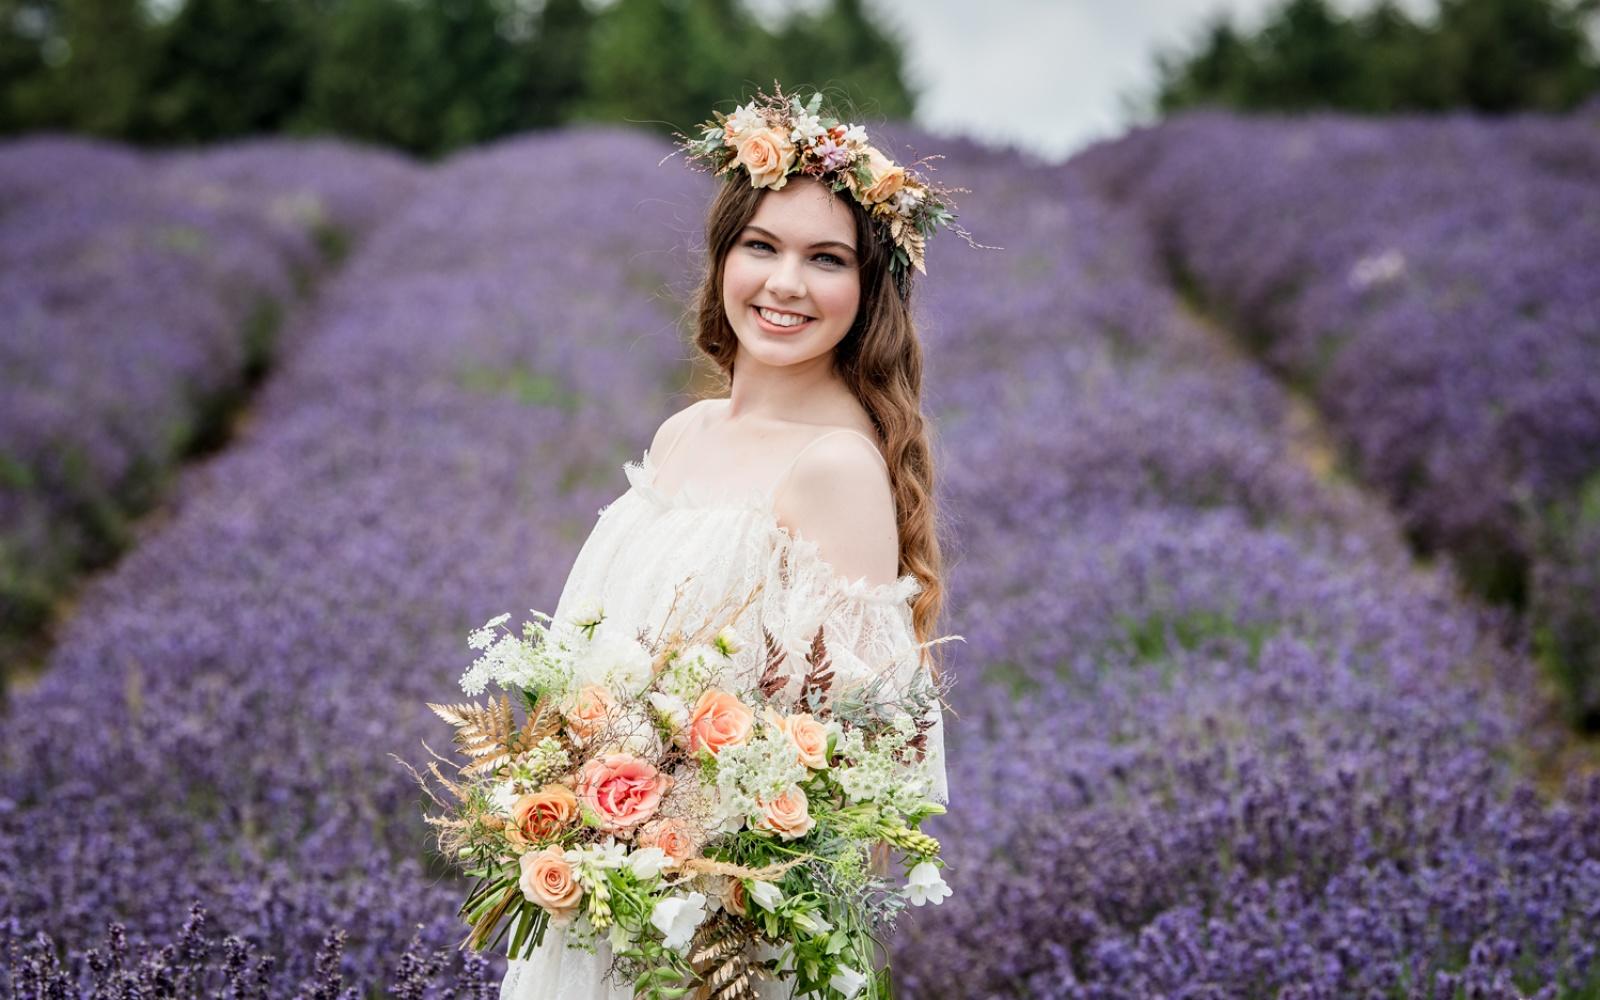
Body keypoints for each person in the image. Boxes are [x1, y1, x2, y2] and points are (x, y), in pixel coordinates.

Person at [500, 85, 961, 1000]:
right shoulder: (685, 435)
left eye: (826, 259)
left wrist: (682, 866)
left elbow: (848, 764)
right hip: (600, 900)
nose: (786, 283)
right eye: (762, 246)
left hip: (720, 942)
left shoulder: (834, 469)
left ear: (869, 294)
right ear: (721, 260)